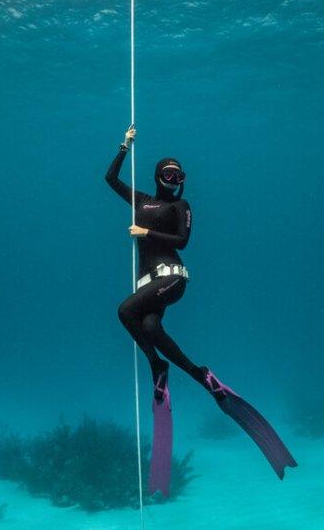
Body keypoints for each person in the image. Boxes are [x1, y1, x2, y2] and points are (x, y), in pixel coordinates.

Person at [105, 124, 297, 496]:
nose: (173, 180)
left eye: (178, 176)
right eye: (168, 174)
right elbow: (110, 178)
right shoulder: (141, 200)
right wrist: (123, 146)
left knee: (124, 312)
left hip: (173, 279)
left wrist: (146, 235)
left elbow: (183, 241)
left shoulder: (181, 206)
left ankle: (158, 367)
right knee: (151, 327)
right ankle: (200, 374)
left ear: (182, 181)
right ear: (158, 176)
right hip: (150, 287)